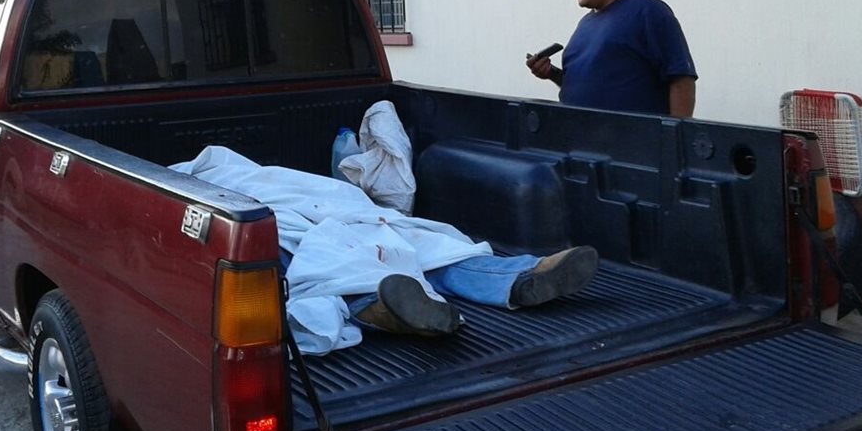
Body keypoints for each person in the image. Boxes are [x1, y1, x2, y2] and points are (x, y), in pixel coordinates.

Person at [171, 145, 598, 353]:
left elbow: (299, 186)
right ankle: (392, 307)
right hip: (285, 219)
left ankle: (523, 278)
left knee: (414, 245)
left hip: (330, 206)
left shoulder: (243, 168)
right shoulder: (194, 176)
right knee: (333, 257)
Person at [526, 0, 697, 118]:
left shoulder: (648, 12)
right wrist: (551, 73)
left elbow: (681, 79)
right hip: (582, 140)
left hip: (634, 143)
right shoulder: (585, 24)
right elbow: (590, 87)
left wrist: (676, 139)